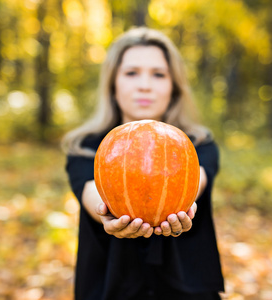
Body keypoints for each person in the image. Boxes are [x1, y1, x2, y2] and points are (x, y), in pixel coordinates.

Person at [62, 27, 224, 300]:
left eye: (158, 74)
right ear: (113, 84)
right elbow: (91, 192)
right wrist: (108, 214)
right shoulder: (85, 146)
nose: (145, 85)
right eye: (131, 73)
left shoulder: (197, 143)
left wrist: (179, 204)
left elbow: (194, 181)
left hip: (188, 289)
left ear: (173, 87)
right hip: (110, 289)